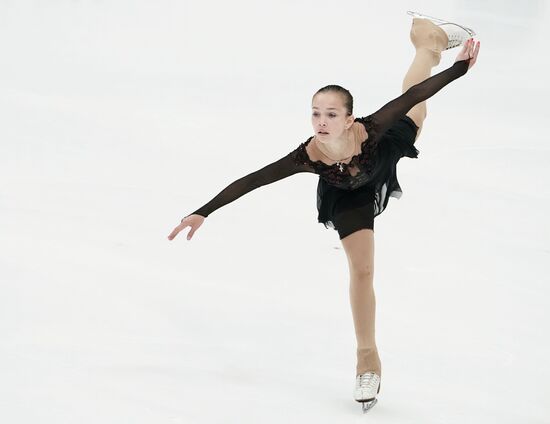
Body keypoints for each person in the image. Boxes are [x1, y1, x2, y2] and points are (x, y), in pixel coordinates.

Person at [167, 15, 480, 409]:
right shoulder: (308, 155)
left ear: (349, 119)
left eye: (331, 114)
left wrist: (458, 69)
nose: (321, 121)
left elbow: (412, 95)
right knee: (362, 271)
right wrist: (203, 211)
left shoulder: (371, 129)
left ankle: (427, 42)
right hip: (349, 196)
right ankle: (367, 360)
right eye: (316, 113)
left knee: (419, 111)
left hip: (382, 156)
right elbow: (255, 179)